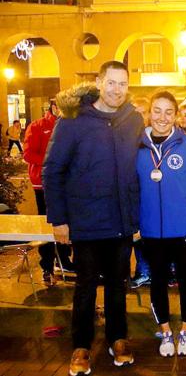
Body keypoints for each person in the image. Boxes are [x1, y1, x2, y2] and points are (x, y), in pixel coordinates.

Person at [43, 61, 144, 376]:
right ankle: (81, 345)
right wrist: (58, 219)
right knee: (85, 286)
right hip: (86, 222)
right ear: (100, 82)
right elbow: (53, 170)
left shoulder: (133, 119)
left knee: (118, 284)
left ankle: (118, 339)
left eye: (123, 84)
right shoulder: (73, 121)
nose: (117, 90)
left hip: (121, 221)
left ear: (128, 87)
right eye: (111, 83)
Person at [137, 90, 186, 357]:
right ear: (149, 113)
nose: (162, 118)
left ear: (177, 115)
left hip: (185, 228)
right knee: (158, 281)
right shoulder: (137, 147)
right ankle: (165, 330)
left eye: (168, 112)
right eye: (157, 111)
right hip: (151, 229)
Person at [23, 100, 74, 286]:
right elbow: (28, 154)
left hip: (68, 185)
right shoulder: (37, 126)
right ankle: (47, 265)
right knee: (46, 224)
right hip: (43, 185)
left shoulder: (72, 125)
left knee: (67, 223)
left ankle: (64, 260)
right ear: (53, 107)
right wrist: (52, 164)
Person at [129, 95, 152, 289]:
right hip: (132, 194)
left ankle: (151, 270)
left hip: (150, 192)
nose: (140, 116)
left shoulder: (153, 135)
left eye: (144, 112)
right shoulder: (127, 134)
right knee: (137, 236)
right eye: (136, 112)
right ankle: (142, 270)